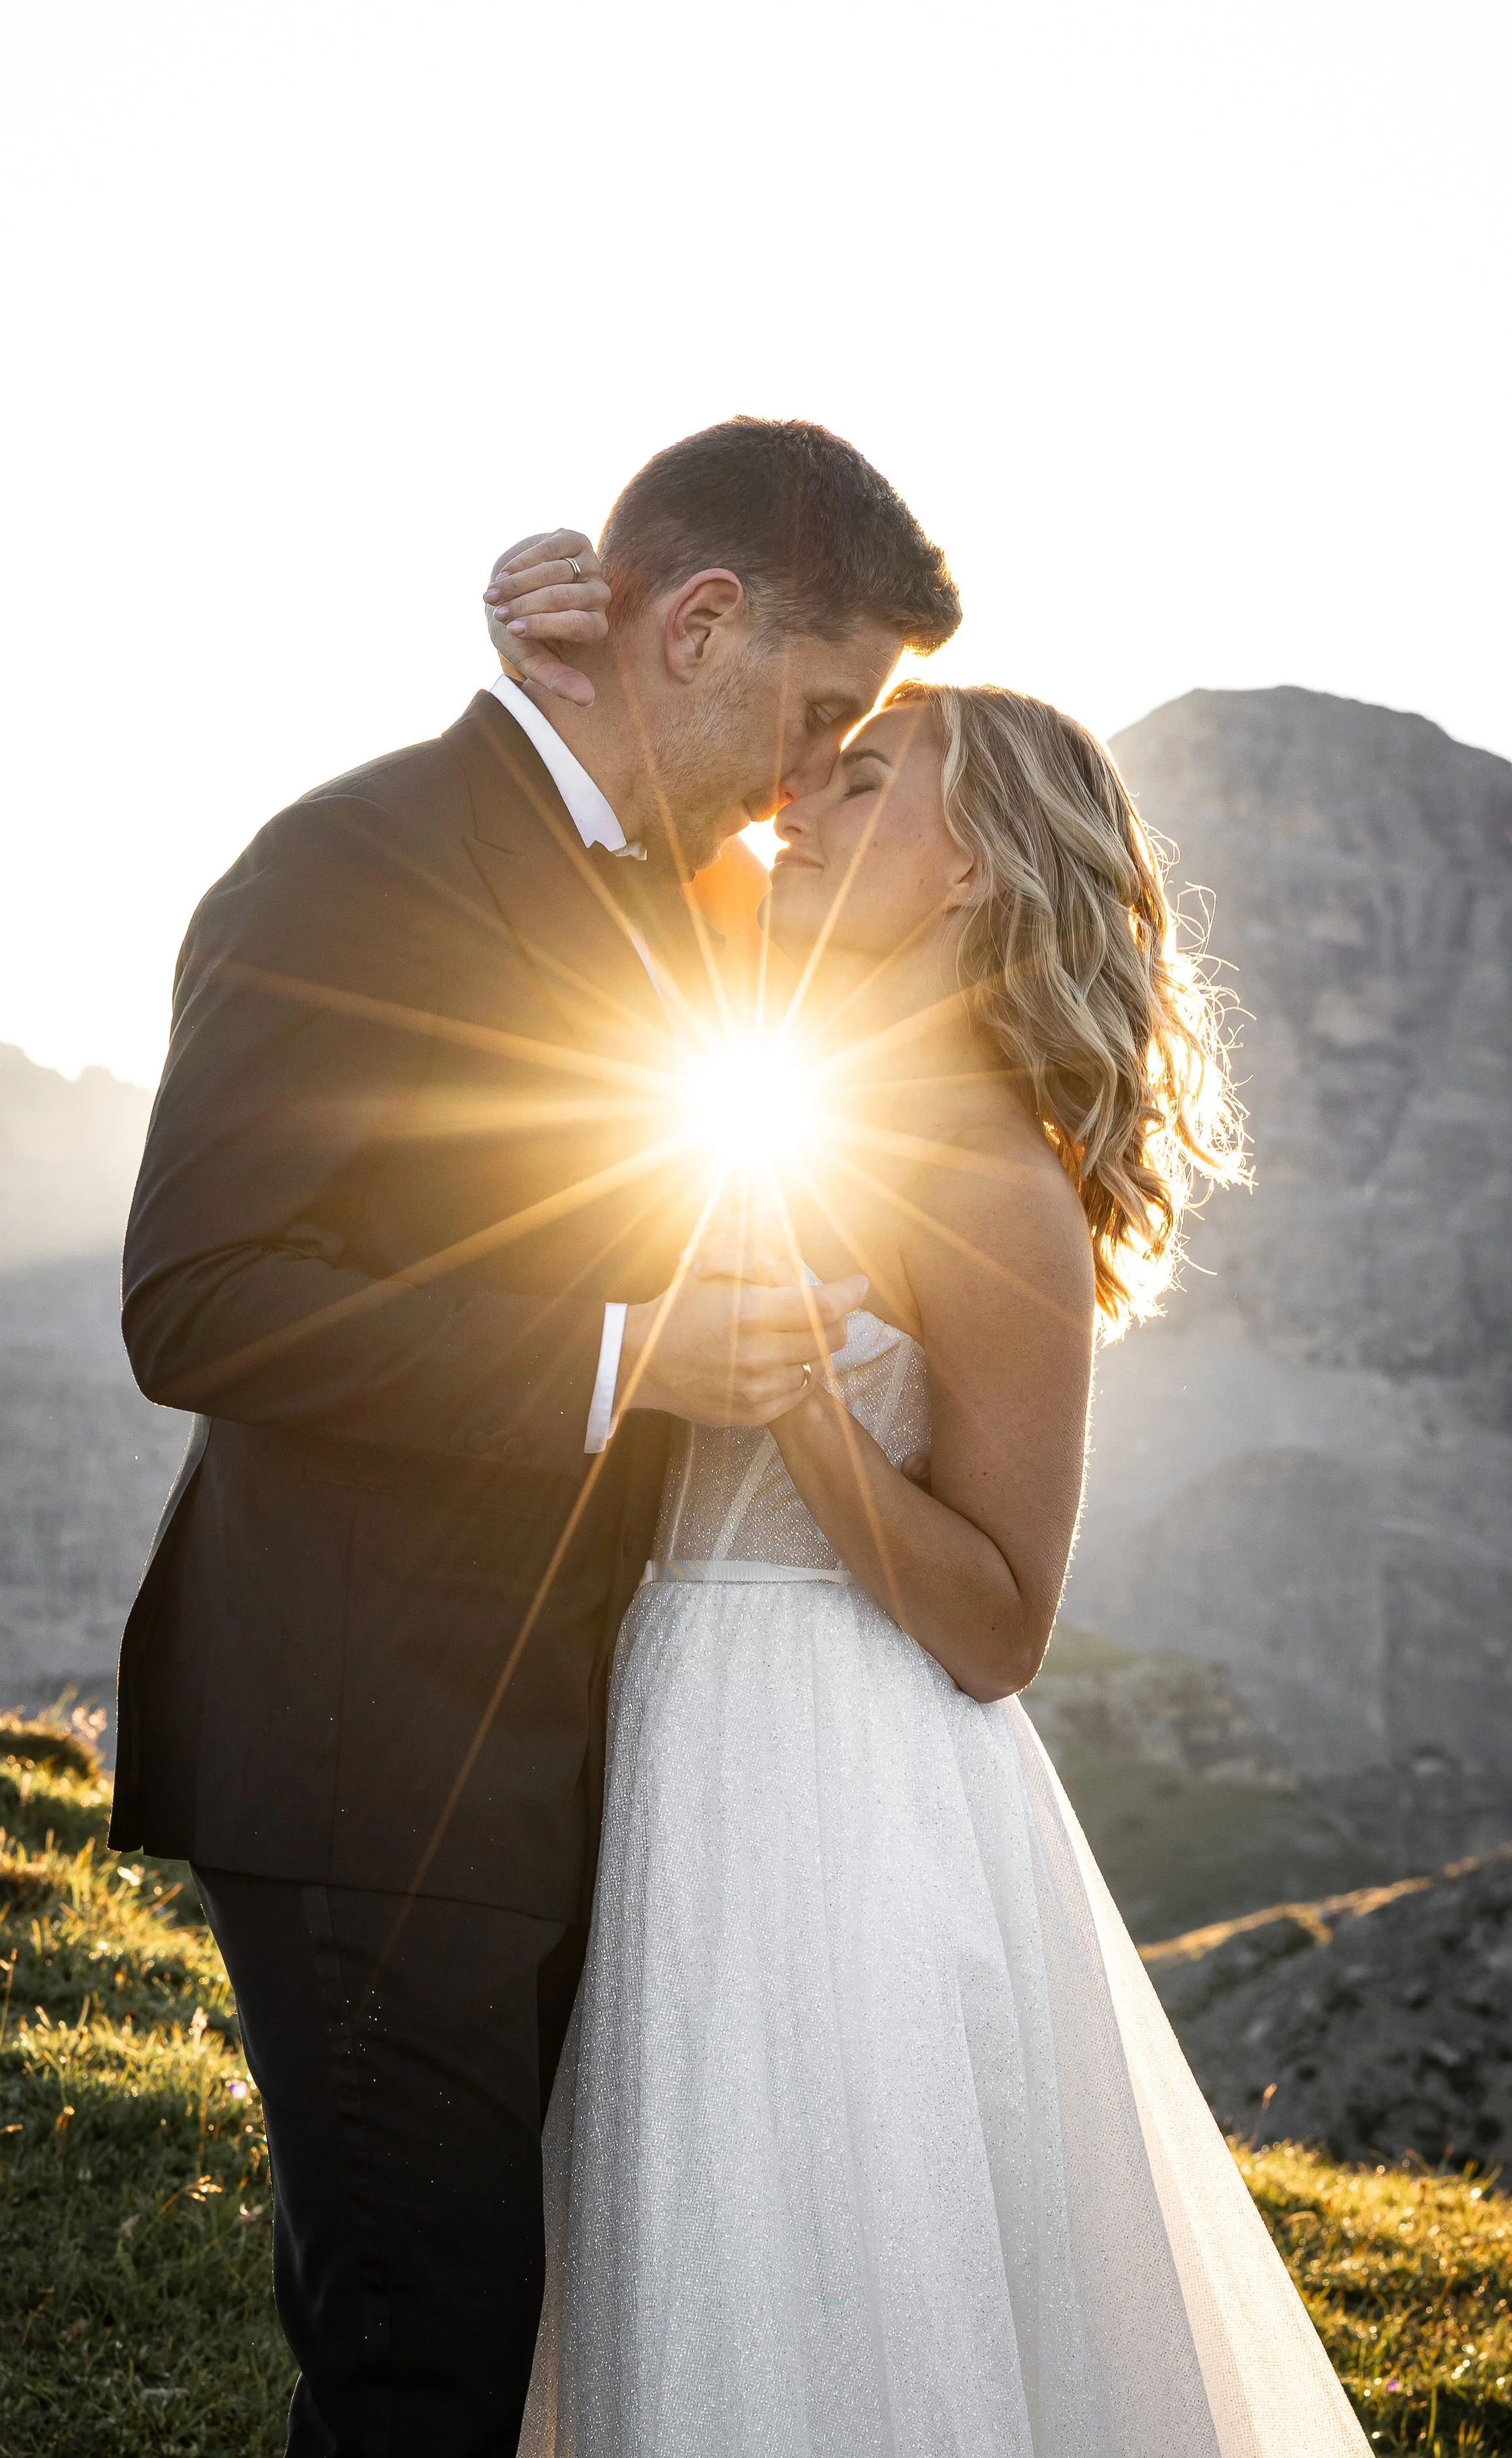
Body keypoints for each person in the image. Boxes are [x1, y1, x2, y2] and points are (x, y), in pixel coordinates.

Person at [109, 418, 961, 2454]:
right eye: (818, 705)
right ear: (701, 624)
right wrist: (616, 1360)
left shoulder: (682, 889)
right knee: (422, 2357)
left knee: (488, 2338)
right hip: (368, 1748)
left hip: (553, 1756)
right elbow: (193, 1297)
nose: (813, 770)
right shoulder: (347, 860)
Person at [485, 556, 1370, 2453]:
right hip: (657, 1744)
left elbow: (998, 1623)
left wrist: (798, 1405)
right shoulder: (777, 1069)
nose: (802, 800)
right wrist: (573, 683)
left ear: (969, 869)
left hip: (846, 1800)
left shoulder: (990, 1183)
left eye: (865, 782)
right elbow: (590, 881)